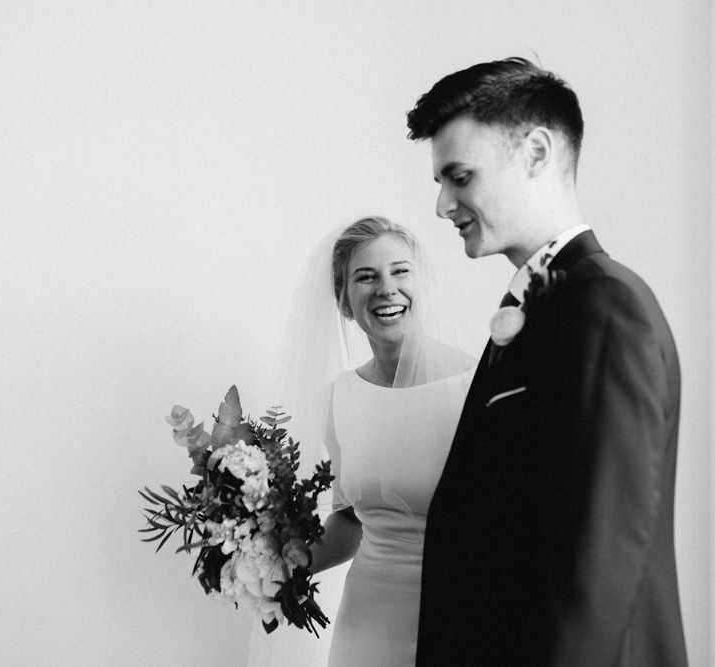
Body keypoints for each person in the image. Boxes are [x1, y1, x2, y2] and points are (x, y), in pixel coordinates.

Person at [406, 57, 687, 665]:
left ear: (535, 152)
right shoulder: (543, 305)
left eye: (459, 176)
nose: (441, 205)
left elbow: (600, 565)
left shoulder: (607, 309)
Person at [287, 216, 476, 666]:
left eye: (400, 271)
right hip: (366, 626)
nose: (386, 288)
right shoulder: (339, 399)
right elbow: (350, 520)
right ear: (345, 303)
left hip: (460, 619)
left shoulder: (476, 385)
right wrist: (275, 566)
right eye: (366, 277)